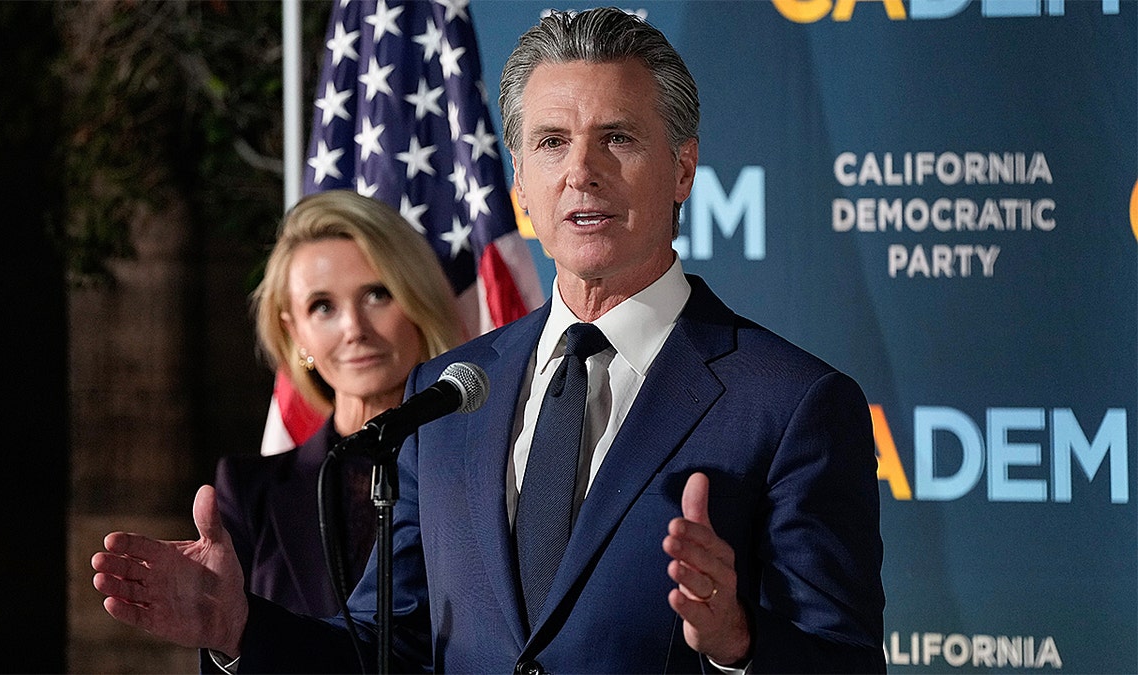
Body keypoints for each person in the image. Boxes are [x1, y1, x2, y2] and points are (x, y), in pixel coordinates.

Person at [91, 7, 886, 673]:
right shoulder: (450, 394)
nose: (582, 171)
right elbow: (382, 651)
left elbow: (843, 661)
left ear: (682, 171)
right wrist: (240, 628)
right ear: (519, 188)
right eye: (550, 143)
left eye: (619, 137)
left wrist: (738, 646)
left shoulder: (790, 405)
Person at [213, 189, 464, 618]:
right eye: (323, 306)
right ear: (295, 334)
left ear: (418, 300)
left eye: (377, 294)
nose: (354, 329)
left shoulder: (486, 469)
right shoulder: (247, 491)